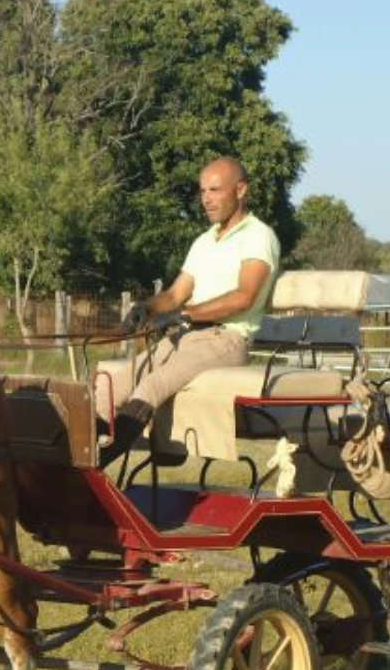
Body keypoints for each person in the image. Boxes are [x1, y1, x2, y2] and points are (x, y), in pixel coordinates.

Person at [98, 156, 281, 466]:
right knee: (111, 383)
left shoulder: (258, 237)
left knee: (151, 385)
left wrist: (186, 315)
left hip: (227, 339)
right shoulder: (204, 241)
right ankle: (78, 454)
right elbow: (175, 294)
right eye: (202, 191)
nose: (206, 199)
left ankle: (101, 462)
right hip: (188, 336)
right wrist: (147, 308)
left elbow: (244, 297)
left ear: (240, 190)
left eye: (214, 190)